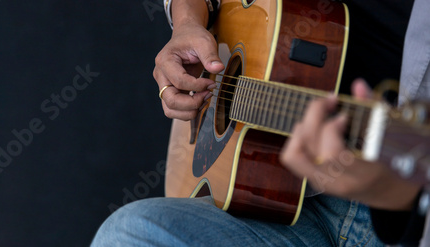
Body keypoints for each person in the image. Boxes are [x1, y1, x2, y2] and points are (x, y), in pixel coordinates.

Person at [91, 0, 430, 245]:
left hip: (407, 217)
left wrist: (400, 193)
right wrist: (188, 21)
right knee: (129, 235)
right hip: (268, 198)